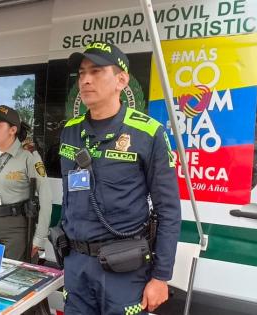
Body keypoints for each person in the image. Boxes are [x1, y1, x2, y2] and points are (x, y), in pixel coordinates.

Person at [58, 41, 181, 314]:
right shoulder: (69, 131)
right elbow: (69, 198)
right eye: (81, 73)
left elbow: (169, 210)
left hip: (124, 270)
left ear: (121, 80)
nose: (86, 80)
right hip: (77, 267)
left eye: (97, 71)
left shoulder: (149, 133)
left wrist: (161, 277)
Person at [0, 105, 52, 261]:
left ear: (12, 130)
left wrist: (38, 239)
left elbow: (46, 198)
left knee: (13, 277)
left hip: (16, 227)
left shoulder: (28, 156)